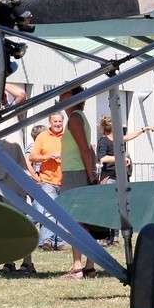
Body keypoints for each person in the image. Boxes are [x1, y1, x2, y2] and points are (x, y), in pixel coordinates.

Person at [59, 88, 98, 279]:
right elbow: (88, 148)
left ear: (73, 98)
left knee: (75, 221)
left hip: (76, 173)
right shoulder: (78, 117)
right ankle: (89, 265)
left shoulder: (74, 118)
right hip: (77, 172)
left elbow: (85, 149)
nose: (60, 97)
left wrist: (91, 175)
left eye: (64, 94)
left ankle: (77, 266)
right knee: (85, 221)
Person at [27, 112, 67, 251]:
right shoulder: (42, 137)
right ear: (50, 122)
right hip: (47, 179)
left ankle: (60, 241)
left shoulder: (68, 135)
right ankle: (47, 240)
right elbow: (32, 157)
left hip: (64, 179)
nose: (57, 124)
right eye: (55, 121)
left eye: (60, 121)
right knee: (50, 210)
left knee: (62, 211)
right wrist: (48, 156)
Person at [96, 115, 154, 183]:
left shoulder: (118, 140)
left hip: (121, 177)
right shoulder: (104, 141)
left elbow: (131, 135)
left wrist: (145, 129)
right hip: (110, 178)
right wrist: (121, 158)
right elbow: (103, 158)